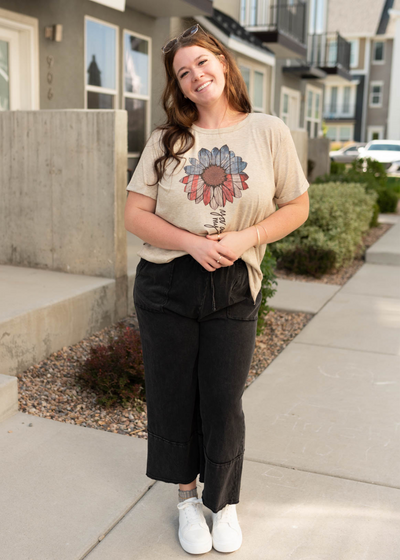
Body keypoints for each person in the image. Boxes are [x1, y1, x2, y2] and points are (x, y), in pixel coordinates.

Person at [124, 24, 309, 555]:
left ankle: (222, 503)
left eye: (202, 63)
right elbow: (136, 214)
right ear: (178, 87)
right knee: (173, 396)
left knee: (224, 401)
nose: (195, 76)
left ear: (223, 64)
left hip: (233, 281)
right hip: (166, 283)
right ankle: (186, 499)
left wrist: (247, 237)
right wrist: (191, 243)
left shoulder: (267, 130)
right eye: (183, 73)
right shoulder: (166, 139)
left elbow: (296, 205)